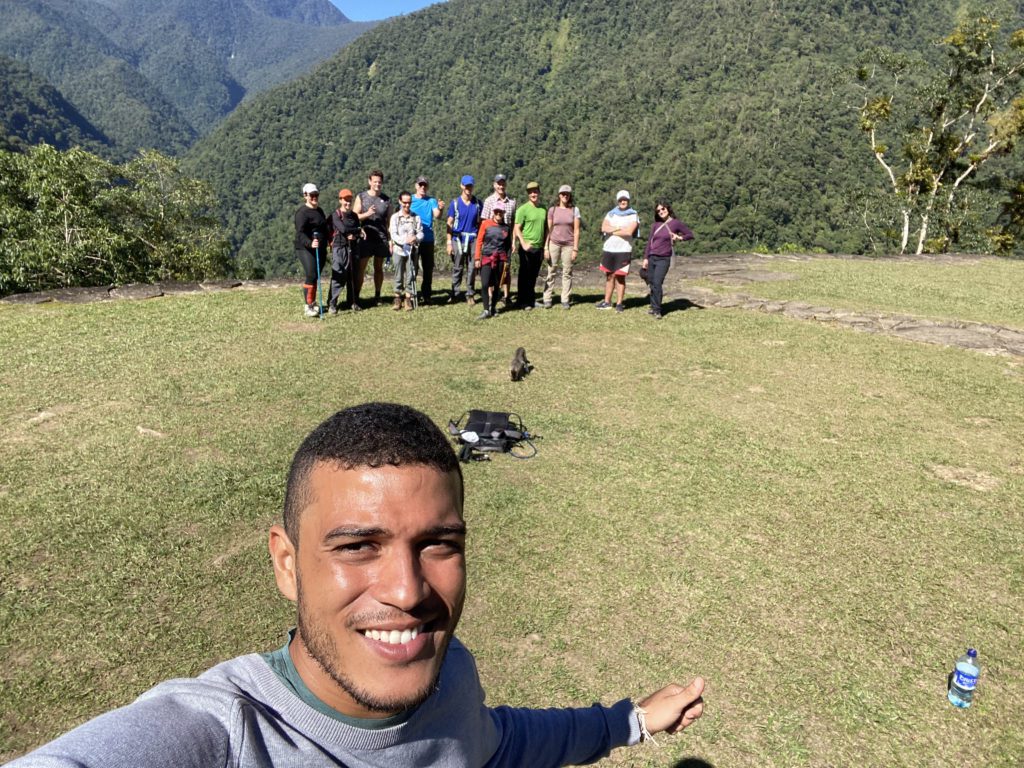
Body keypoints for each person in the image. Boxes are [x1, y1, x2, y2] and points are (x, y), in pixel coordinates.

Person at [8, 402, 706, 767]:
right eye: (356, 546)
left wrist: (632, 723)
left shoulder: (451, 676)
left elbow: (489, 746)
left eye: (439, 545)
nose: (407, 591)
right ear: (287, 564)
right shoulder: (226, 736)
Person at [642, 200, 694, 319]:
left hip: (663, 258)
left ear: (668, 209)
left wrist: (679, 237)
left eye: (663, 209)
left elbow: (690, 235)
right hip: (652, 257)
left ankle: (657, 310)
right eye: (658, 210)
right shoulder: (655, 225)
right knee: (652, 282)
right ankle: (654, 306)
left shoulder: (675, 223)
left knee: (657, 282)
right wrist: (645, 258)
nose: (661, 211)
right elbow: (650, 242)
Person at [352, 170, 392, 307]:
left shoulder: (386, 200)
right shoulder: (361, 197)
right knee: (361, 268)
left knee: (378, 268)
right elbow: (354, 216)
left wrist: (390, 239)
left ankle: (377, 295)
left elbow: (389, 222)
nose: (377, 184)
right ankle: (356, 297)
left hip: (381, 238)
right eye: (375, 181)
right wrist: (367, 214)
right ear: (369, 182)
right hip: (365, 237)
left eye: (379, 182)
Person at [597, 190, 640, 313]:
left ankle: (620, 303)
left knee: (620, 277)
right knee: (609, 276)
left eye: (625, 199)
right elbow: (603, 227)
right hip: (609, 248)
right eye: (621, 200)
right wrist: (619, 228)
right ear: (617, 200)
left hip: (623, 249)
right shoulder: (611, 214)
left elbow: (629, 232)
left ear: (628, 200)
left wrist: (612, 230)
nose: (623, 202)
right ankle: (607, 301)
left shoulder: (633, 214)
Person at [480, 174, 517, 308]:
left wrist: (513, 241)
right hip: (492, 240)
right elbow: (484, 221)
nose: (501, 186)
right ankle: (491, 297)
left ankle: (506, 296)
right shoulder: (489, 201)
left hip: (505, 240)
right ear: (494, 185)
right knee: (491, 269)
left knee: (506, 269)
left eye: (503, 183)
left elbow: (513, 223)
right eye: (498, 183)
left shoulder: (512, 202)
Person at [543, 184, 581, 309]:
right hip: (554, 243)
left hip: (568, 245)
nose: (565, 196)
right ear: (559, 195)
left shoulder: (575, 210)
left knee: (567, 272)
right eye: (563, 193)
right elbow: (548, 230)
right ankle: (547, 298)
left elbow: (576, 230)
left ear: (570, 196)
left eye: (567, 194)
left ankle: (565, 299)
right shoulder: (552, 210)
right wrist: (546, 247)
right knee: (551, 271)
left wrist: (575, 248)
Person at [446, 175, 482, 305]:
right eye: (466, 185)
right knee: (458, 267)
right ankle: (455, 293)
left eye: (470, 186)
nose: (468, 188)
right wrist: (449, 242)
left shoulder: (478, 204)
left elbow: (480, 223)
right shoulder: (455, 203)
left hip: (473, 238)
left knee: (472, 268)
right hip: (458, 238)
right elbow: (449, 222)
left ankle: (470, 293)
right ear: (461, 186)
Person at [473, 203, 512, 320]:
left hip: (501, 259)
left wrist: (508, 261)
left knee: (497, 285)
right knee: (485, 284)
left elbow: (508, 246)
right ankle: (486, 310)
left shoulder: (506, 228)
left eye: (501, 212)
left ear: (504, 213)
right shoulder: (485, 224)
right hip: (486, 258)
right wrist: (477, 258)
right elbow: (479, 241)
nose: (498, 214)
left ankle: (493, 308)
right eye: (496, 211)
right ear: (493, 212)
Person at [294, 182, 328, 318]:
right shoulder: (302, 213)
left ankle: (313, 302)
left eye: (316, 194)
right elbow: (300, 233)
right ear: (305, 196)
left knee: (316, 275)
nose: (314, 197)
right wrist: (310, 243)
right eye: (311, 195)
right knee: (311, 274)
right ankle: (308, 305)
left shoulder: (319, 210)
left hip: (320, 247)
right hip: (305, 248)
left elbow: (324, 227)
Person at [512, 181, 547, 310]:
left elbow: (545, 227)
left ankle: (531, 300)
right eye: (531, 192)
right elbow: (517, 228)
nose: (533, 194)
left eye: (535, 191)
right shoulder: (523, 209)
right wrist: (523, 243)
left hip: (539, 247)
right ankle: (523, 301)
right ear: (528, 194)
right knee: (524, 275)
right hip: (527, 247)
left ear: (539, 192)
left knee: (533, 275)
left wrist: (545, 245)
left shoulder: (543, 209)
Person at [409, 176, 443, 304]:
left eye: (425, 185)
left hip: (428, 238)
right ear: (416, 186)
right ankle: (412, 294)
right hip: (414, 239)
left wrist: (440, 208)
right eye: (420, 185)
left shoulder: (431, 201)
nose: (423, 187)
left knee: (428, 269)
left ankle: (427, 294)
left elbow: (437, 215)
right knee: (413, 268)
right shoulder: (410, 200)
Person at [389, 191, 424, 311]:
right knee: (398, 274)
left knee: (411, 274)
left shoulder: (416, 217)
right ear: (400, 201)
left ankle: (408, 299)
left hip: (412, 251)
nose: (407, 205)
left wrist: (416, 238)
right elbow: (393, 234)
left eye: (409, 203)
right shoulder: (394, 217)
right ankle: (397, 298)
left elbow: (420, 232)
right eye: (404, 203)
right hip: (399, 250)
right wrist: (405, 240)